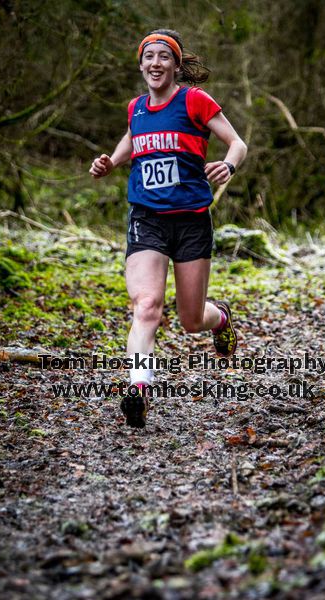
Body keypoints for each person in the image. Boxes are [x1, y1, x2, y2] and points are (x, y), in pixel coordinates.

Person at [89, 29, 247, 428]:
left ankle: (221, 319)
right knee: (147, 306)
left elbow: (237, 143)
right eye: (149, 57)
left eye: (164, 57)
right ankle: (139, 387)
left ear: (176, 66)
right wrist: (111, 162)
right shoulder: (136, 108)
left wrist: (227, 165)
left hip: (192, 221)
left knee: (191, 320)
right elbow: (132, 139)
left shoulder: (194, 100)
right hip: (147, 219)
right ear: (141, 65)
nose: (155, 63)